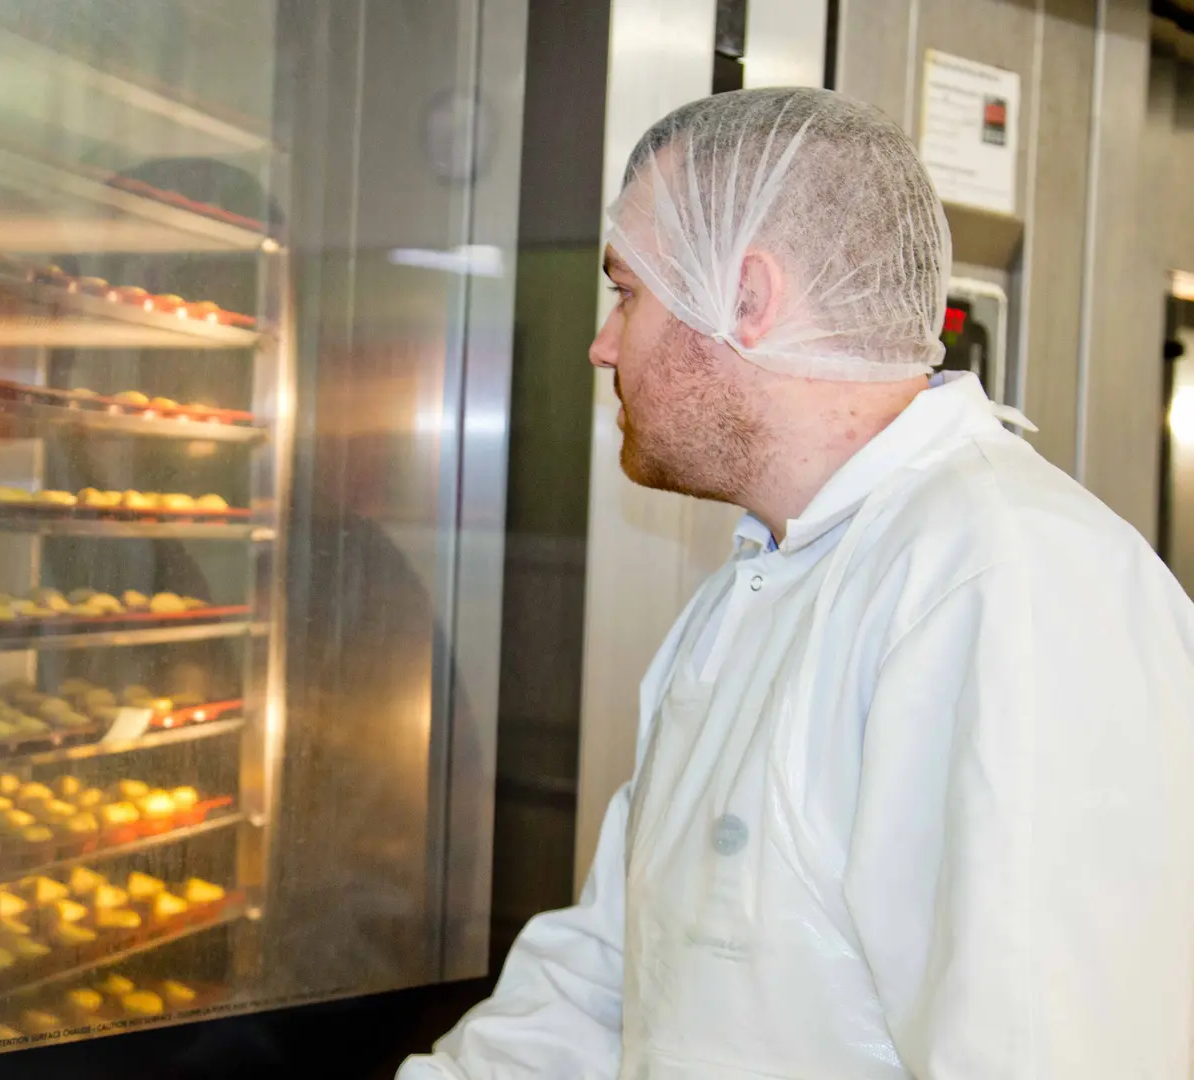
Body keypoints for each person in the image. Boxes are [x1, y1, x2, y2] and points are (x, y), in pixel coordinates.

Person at [401, 87, 1194, 1079]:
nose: (604, 345)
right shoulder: (755, 588)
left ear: (745, 298)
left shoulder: (1010, 586)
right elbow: (611, 980)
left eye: (627, 292)